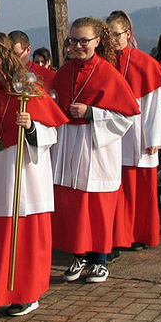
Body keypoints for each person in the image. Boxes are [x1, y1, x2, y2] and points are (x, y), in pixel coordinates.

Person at [0, 32, 66, 322]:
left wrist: (32, 127)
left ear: (4, 57)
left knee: (23, 242)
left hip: (22, 177)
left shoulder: (28, 91)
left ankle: (24, 294)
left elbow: (52, 134)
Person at [51, 17, 140, 283]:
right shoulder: (64, 72)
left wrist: (92, 112)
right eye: (73, 41)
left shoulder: (107, 72)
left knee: (97, 204)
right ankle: (78, 255)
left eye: (84, 41)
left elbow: (127, 116)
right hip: (69, 144)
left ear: (97, 42)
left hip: (96, 146)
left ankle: (99, 259)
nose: (78, 46)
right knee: (73, 204)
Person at [107, 10, 161, 251]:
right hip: (114, 133)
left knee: (141, 190)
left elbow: (154, 105)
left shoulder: (145, 64)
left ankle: (141, 234)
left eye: (117, 34)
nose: (113, 40)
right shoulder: (104, 63)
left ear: (127, 33)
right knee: (119, 190)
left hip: (140, 132)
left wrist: (154, 137)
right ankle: (120, 236)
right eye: (109, 35)